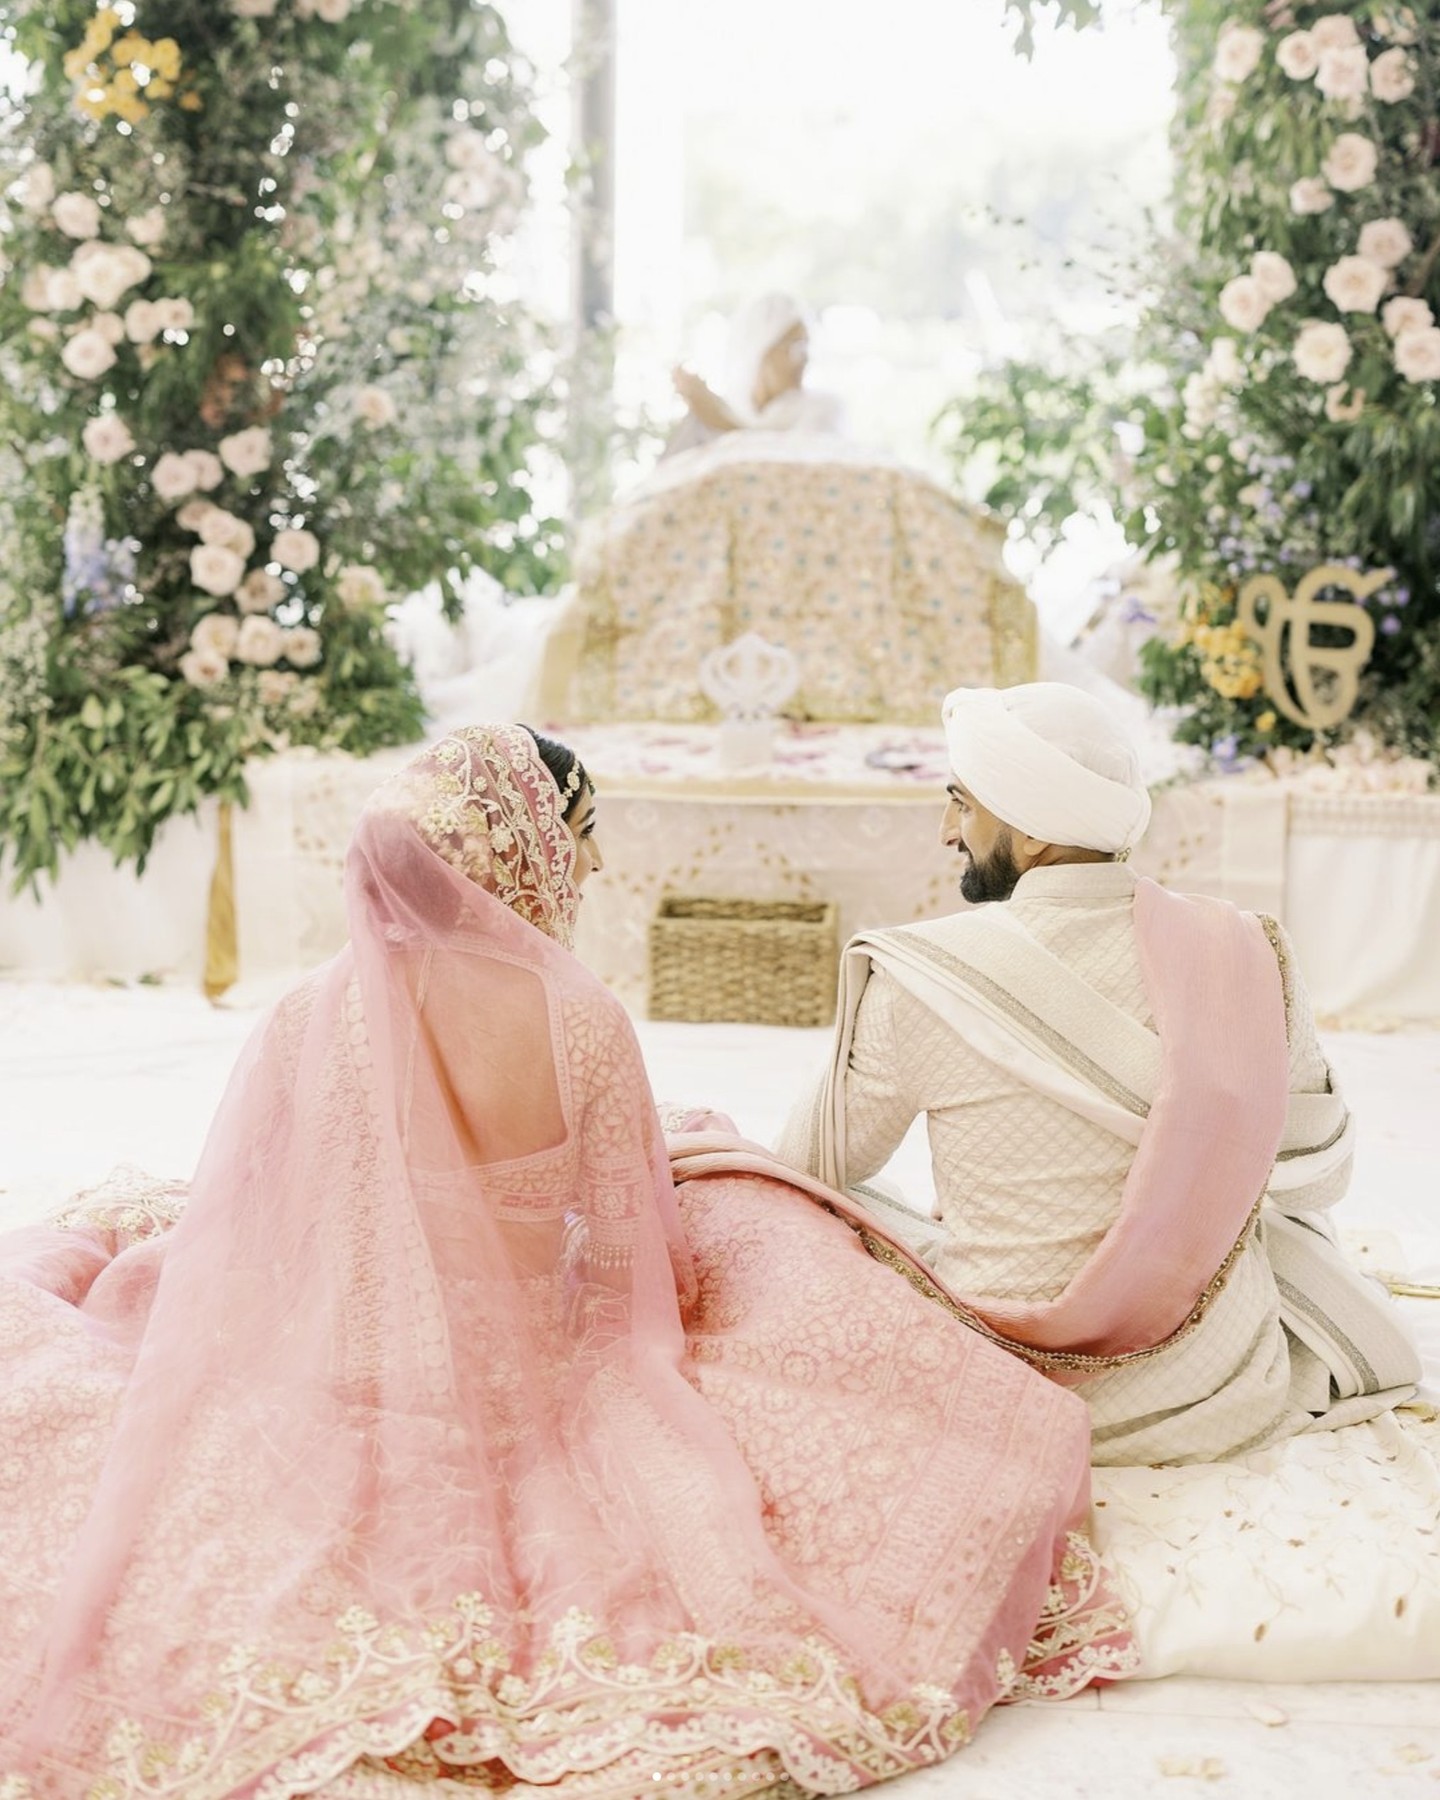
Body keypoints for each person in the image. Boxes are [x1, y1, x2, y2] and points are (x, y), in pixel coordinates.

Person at [0, 723, 1130, 1798]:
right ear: (525, 846)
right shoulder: (576, 1016)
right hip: (521, 1371)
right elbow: (641, 1267)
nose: (594, 866)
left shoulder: (309, 1012)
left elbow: (273, 1219)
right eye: (583, 834)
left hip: (332, 1356)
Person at [777, 682, 1421, 1467]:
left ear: (1037, 837)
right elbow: (1317, 1177)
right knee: (1269, 1214)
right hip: (1213, 1390)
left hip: (1008, 1380)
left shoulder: (923, 976)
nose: (949, 830)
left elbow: (805, 1170)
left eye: (962, 804)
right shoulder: (1248, 954)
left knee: (846, 1210)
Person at [666, 291, 844, 456]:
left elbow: (798, 470)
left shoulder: (823, 408)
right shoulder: (733, 407)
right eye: (794, 345)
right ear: (762, 349)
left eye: (805, 345)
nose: (804, 359)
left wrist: (723, 423)